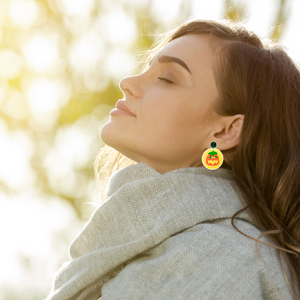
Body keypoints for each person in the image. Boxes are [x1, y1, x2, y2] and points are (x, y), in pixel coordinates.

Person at [45, 19, 300, 300]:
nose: (127, 83)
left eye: (167, 78)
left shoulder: (217, 258)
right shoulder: (165, 243)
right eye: (146, 68)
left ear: (226, 131)